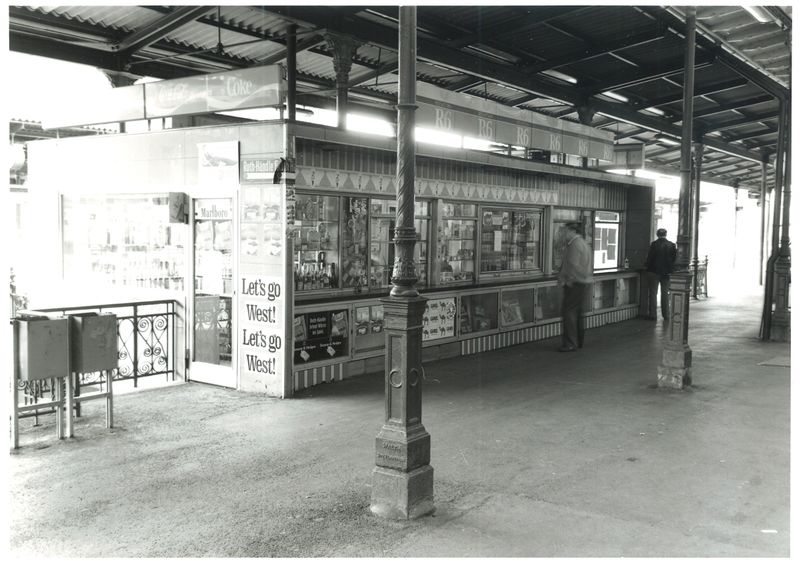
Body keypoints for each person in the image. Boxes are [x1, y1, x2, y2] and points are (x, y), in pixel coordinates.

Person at [558, 222, 593, 352]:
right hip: (584, 282)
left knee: (568, 312)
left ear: (572, 231)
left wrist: (567, 281)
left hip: (575, 283)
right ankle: (578, 341)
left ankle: (570, 343)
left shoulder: (574, 244)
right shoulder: (583, 243)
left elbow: (572, 266)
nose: (564, 233)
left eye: (566, 231)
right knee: (577, 313)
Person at [644, 228, 677, 321]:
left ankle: (653, 315)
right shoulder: (672, 245)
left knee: (653, 293)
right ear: (666, 234)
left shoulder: (654, 244)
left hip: (654, 272)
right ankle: (666, 315)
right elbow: (674, 259)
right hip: (666, 273)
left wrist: (646, 266)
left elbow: (649, 258)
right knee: (665, 294)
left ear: (657, 234)